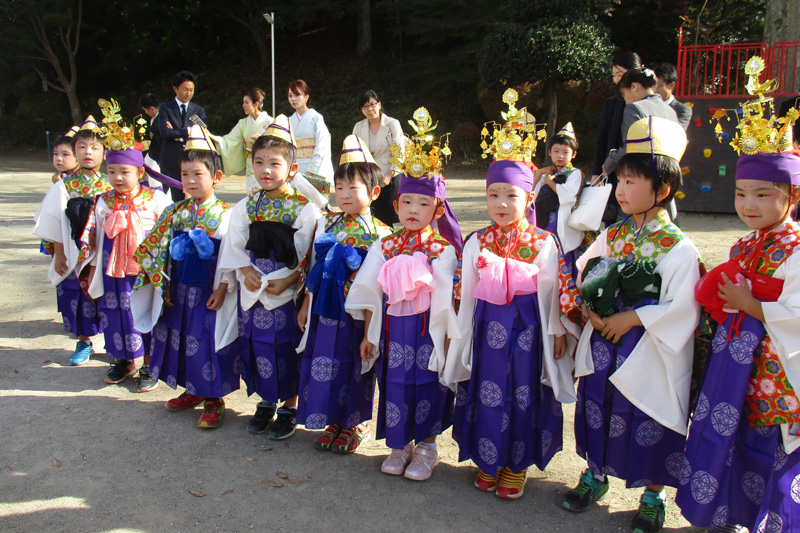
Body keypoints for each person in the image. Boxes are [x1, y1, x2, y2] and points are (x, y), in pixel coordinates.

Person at [676, 59, 800, 533]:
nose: (750, 204)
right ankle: (727, 515)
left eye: (764, 194)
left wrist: (751, 305)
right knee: (731, 439)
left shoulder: (795, 248)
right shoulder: (743, 245)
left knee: (773, 449)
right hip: (735, 363)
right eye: (742, 192)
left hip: (779, 373)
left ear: (792, 194)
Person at [564, 117, 701, 533]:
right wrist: (588, 308)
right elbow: (583, 275)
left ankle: (653, 495)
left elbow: (683, 309)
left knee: (649, 418)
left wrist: (632, 317)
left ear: (662, 190)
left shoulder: (679, 247)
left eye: (632, 182)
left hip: (647, 350)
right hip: (605, 342)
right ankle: (595, 475)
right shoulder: (613, 234)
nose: (621, 190)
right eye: (620, 181)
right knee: (598, 409)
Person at [444, 158, 581, 500]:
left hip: (528, 332)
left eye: (511, 195)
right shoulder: (478, 240)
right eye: (493, 195)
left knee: (522, 392)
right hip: (487, 328)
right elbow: (463, 294)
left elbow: (555, 292)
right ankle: (490, 458)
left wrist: (559, 331)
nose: (501, 203)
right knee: (488, 391)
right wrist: (457, 334)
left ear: (530, 198)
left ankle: (516, 464)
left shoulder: (542, 242)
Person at [346, 107, 462, 481]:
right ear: (395, 205)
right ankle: (399, 444)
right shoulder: (386, 246)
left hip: (428, 333)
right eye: (407, 202)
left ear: (438, 208)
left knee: (428, 383)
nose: (414, 210)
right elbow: (366, 290)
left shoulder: (443, 250)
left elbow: (448, 302)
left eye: (423, 203)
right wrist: (368, 334)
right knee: (393, 382)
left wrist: (447, 342)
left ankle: (427, 446)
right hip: (394, 333)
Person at [217, 114, 322, 439]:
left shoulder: (305, 208)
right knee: (257, 346)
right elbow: (234, 242)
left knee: (286, 348)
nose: (265, 170)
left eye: (274, 164)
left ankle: (288, 405)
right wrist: (245, 270)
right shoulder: (246, 207)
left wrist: (292, 281)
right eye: (259, 162)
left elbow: (311, 254)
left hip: (284, 291)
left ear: (291, 169)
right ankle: (265, 401)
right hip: (252, 290)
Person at [131, 126, 240, 429]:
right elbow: (157, 249)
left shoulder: (226, 214)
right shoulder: (174, 212)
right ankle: (192, 389)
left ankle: (214, 399)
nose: (190, 181)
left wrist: (222, 288)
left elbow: (233, 258)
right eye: (185, 174)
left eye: (198, 174)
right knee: (180, 336)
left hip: (210, 288)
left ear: (216, 177)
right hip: (179, 288)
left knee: (207, 340)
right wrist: (160, 283)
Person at [296, 135, 392, 453]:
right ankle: (334, 420)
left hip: (359, 315)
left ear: (374, 192)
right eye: (340, 188)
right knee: (328, 363)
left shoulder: (380, 233)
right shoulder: (328, 225)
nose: (345, 195)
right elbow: (315, 269)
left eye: (354, 188)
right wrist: (306, 305)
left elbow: (381, 288)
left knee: (356, 366)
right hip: (325, 310)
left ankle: (356, 423)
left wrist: (372, 327)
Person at [77, 100, 171, 389]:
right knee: (114, 311)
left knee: (143, 310)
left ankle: (149, 364)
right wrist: (88, 263)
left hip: (144, 268)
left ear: (139, 173)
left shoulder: (155, 199)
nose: (118, 178)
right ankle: (123, 359)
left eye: (125, 172)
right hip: (111, 268)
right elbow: (92, 235)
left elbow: (168, 231)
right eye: (113, 171)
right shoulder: (103, 201)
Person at [33, 118, 111, 366]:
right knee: (76, 294)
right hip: (72, 248)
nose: (88, 152)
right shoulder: (64, 185)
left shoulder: (111, 185)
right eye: (82, 148)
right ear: (75, 151)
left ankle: (114, 344)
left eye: (94, 148)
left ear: (105, 152)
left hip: (102, 251)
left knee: (107, 295)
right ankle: (84, 341)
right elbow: (54, 220)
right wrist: (59, 253)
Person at [592, 52, 642, 227]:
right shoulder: (611, 103)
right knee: (612, 217)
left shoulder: (643, 105)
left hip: (636, 169)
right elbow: (602, 139)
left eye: (619, 74)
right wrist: (596, 171)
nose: (616, 80)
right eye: (614, 75)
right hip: (611, 172)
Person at [602, 69, 679, 175]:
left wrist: (609, 164)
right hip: (669, 173)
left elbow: (630, 146)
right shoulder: (671, 112)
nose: (626, 101)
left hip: (643, 173)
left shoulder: (634, 108)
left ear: (634, 87)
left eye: (624, 95)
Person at [533, 122, 585, 276]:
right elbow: (531, 193)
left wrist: (550, 182)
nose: (560, 155)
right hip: (544, 219)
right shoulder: (547, 172)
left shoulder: (575, 173)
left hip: (561, 220)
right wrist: (539, 173)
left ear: (573, 155)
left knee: (561, 251)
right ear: (550, 152)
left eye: (565, 152)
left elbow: (568, 195)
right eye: (556, 151)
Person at [352, 90, 405, 226]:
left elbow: (399, 152)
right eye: (365, 106)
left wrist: (388, 176)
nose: (370, 109)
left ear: (379, 104)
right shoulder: (359, 127)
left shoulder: (392, 124)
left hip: (389, 178)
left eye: (372, 104)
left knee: (389, 219)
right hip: (368, 180)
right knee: (369, 217)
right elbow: (355, 152)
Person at [209, 87, 273, 195]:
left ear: (256, 104)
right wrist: (210, 136)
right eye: (243, 102)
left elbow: (277, 144)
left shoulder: (270, 122)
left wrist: (263, 139)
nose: (243, 105)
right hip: (250, 165)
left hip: (265, 164)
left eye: (246, 102)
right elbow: (229, 140)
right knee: (252, 196)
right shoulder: (243, 123)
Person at [158, 71, 207, 201]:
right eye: (185, 90)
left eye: (191, 90)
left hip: (192, 158)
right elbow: (165, 132)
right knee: (173, 199)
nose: (188, 93)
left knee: (192, 196)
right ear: (175, 89)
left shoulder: (198, 110)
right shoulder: (165, 108)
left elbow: (202, 132)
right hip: (171, 160)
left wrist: (176, 132)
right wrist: (189, 131)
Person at [287, 80, 333, 186]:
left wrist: (312, 170)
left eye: (297, 95)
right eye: (290, 95)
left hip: (314, 168)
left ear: (306, 97)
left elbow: (322, 145)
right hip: (295, 168)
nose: (293, 99)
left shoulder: (316, 118)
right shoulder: (289, 121)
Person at [653, 64, 692, 131]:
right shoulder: (647, 105)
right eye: (652, 85)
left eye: (658, 85)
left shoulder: (683, 110)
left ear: (671, 85)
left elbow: (677, 131)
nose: (654, 89)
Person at [139, 93, 163, 168]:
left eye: (146, 110)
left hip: (160, 153)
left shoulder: (161, 118)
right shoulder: (161, 112)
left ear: (152, 108)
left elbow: (152, 135)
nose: (146, 113)